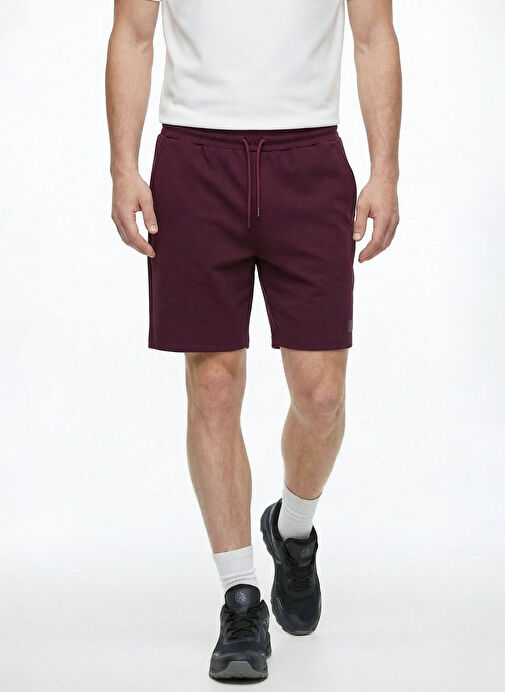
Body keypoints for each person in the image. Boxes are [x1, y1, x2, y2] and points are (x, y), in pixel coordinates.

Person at [106, 0, 401, 681]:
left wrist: (384, 170)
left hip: (309, 157)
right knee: (212, 384)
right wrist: (123, 166)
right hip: (194, 158)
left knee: (321, 395)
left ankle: (291, 529)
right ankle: (240, 597)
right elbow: (133, 33)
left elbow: (373, 35)